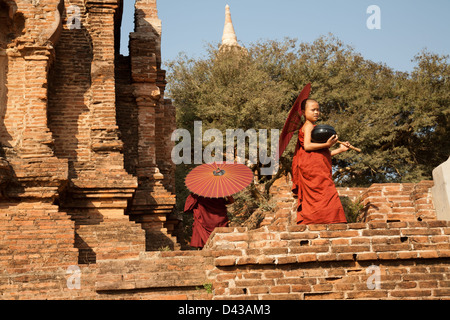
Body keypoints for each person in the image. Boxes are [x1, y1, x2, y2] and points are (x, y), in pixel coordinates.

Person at [292, 99, 352, 225]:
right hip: (313, 171)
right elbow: (308, 146)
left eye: (318, 110)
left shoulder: (314, 129)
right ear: (303, 112)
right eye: (313, 110)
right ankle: (331, 221)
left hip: (318, 167)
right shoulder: (307, 126)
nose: (316, 112)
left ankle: (321, 221)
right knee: (327, 194)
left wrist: (340, 149)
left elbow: (321, 155)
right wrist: (327, 144)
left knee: (325, 195)